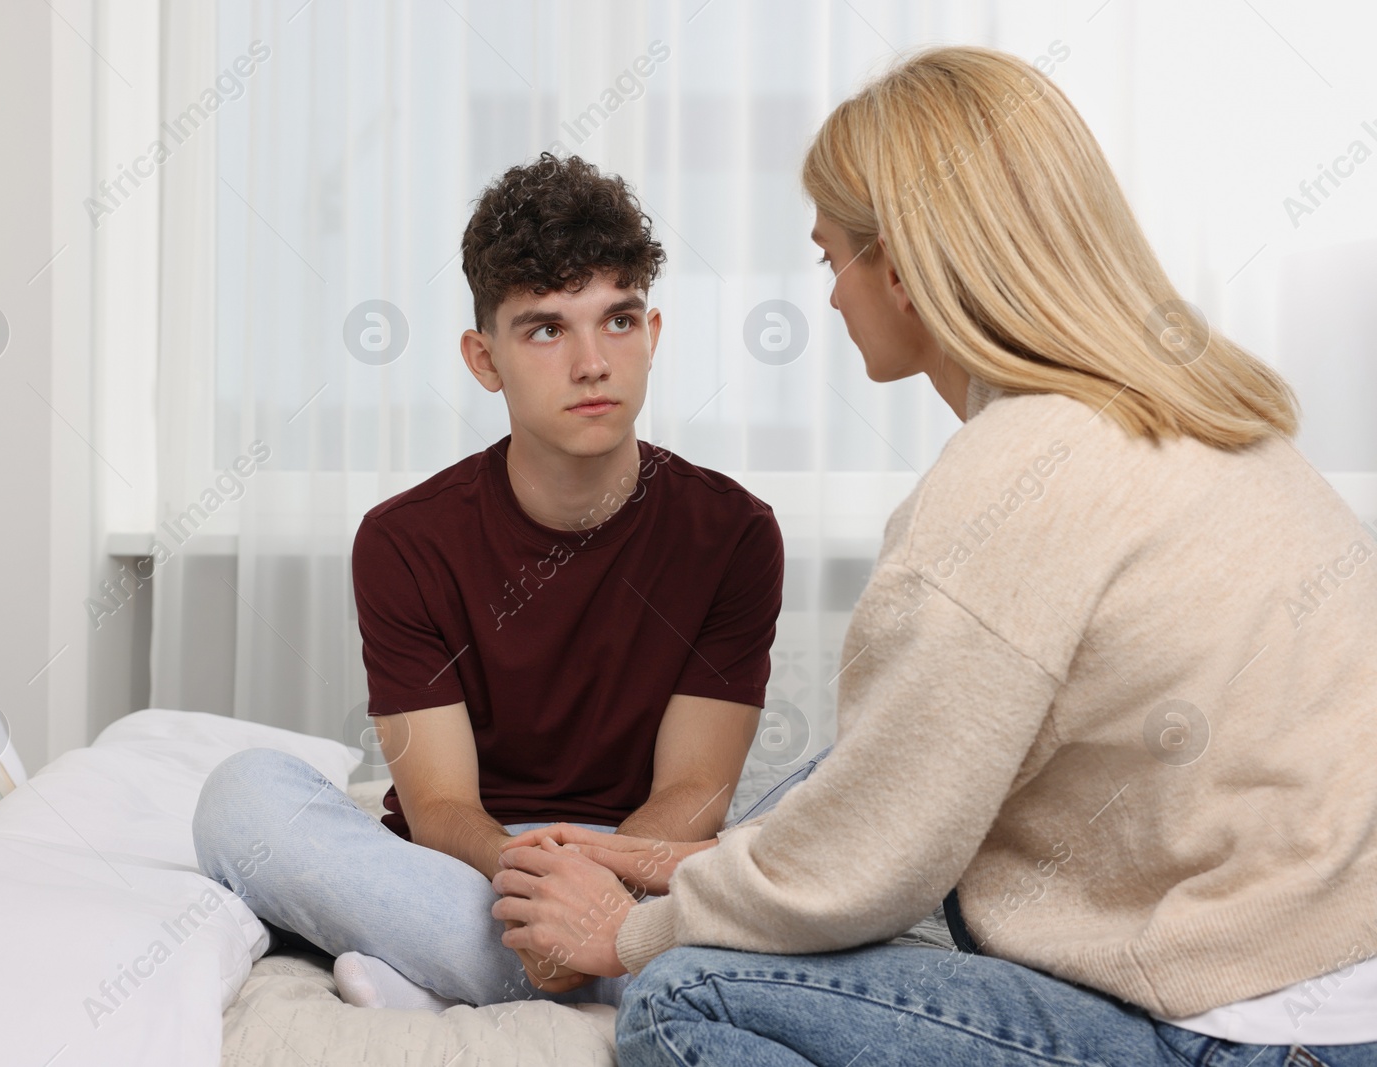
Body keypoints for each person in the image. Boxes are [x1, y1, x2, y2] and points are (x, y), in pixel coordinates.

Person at [493, 45, 1377, 1065]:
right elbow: (909, 772)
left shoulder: (1012, 482)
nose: (828, 299)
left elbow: (878, 860)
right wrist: (675, 861)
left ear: (902, 266)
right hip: (1332, 981)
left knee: (686, 995)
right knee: (857, 764)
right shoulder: (1210, 414)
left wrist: (628, 930)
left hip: (1252, 1032)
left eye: (832, 259)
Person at [189, 153, 785, 1012]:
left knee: (840, 800)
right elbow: (436, 806)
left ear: (652, 334)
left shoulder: (732, 532)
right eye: (547, 330)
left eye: (616, 322)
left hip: (638, 866)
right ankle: (592, 967)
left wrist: (595, 886)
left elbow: (695, 790)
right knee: (238, 799)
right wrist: (537, 880)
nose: (591, 363)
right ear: (484, 358)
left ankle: (450, 966)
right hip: (470, 866)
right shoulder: (403, 540)